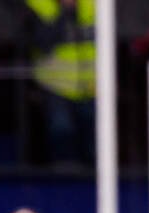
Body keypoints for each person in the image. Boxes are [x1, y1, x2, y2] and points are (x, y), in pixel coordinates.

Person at [21, 0, 95, 164]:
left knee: (94, 144)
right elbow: (41, 42)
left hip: (92, 87)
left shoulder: (95, 4)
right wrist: (64, 13)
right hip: (55, 87)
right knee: (62, 138)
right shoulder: (40, 5)